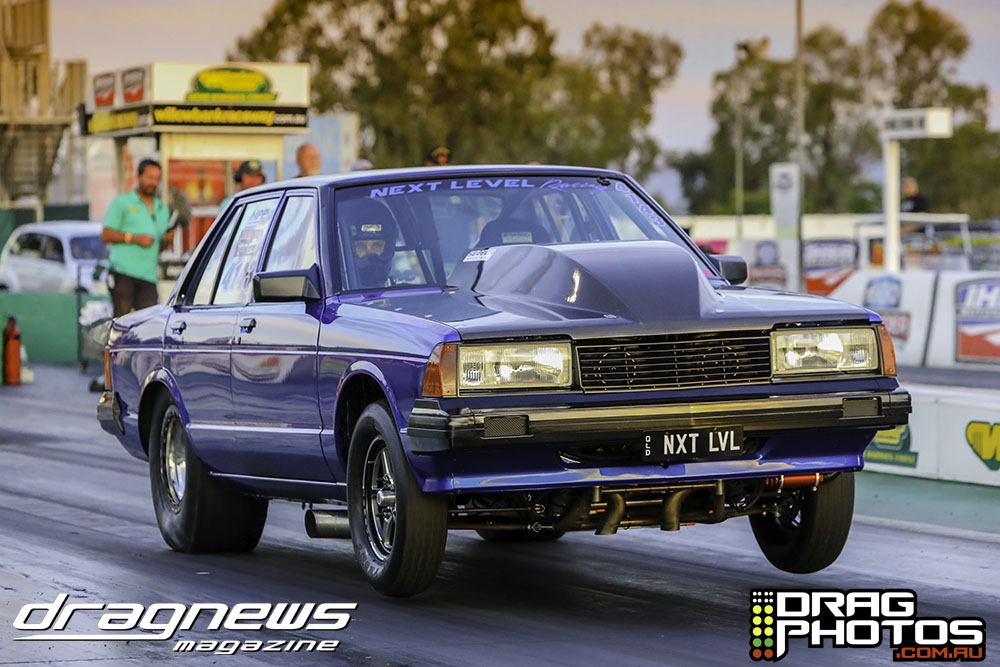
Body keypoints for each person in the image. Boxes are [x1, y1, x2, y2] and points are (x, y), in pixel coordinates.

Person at [101, 159, 173, 317]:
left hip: (148, 275)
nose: (153, 182)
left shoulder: (163, 209)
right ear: (138, 177)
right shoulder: (122, 202)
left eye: (157, 179)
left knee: (149, 322)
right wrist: (134, 238)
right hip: (123, 272)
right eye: (149, 177)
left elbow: (158, 246)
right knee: (122, 320)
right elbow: (106, 234)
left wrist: (166, 241)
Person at [342, 200, 398, 288]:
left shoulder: (402, 293)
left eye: (376, 246)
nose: (369, 254)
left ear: (388, 248)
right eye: (360, 246)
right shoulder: (330, 292)